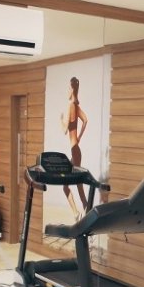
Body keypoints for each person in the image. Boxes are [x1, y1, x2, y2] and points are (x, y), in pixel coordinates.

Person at [60, 76, 89, 218]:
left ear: (72, 89)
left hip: (74, 149)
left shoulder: (71, 105)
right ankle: (78, 213)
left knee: (77, 186)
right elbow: (85, 120)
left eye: (68, 88)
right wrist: (79, 138)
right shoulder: (76, 106)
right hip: (75, 150)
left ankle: (84, 213)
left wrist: (61, 120)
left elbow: (65, 130)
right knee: (68, 186)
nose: (67, 91)